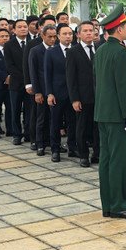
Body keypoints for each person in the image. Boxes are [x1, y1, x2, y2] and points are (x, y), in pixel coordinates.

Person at [94, 4, 126, 219]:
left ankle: (108, 204)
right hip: (117, 115)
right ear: (119, 29)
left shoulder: (101, 50)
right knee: (119, 162)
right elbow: (123, 87)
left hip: (103, 113)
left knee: (106, 161)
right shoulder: (122, 52)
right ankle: (119, 205)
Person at [66, 21, 99, 167]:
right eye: (85, 31)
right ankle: (83, 155)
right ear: (78, 34)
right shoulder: (73, 52)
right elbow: (71, 77)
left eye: (91, 30)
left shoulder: (99, 48)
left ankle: (97, 153)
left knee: (98, 127)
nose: (89, 33)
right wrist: (74, 99)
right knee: (82, 127)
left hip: (99, 96)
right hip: (82, 96)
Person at [45, 23, 77, 162]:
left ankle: (73, 147)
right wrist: (49, 93)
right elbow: (47, 74)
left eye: (70, 34)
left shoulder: (76, 50)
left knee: (73, 122)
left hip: (73, 93)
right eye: (64, 34)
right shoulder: (51, 52)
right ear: (58, 36)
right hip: (57, 93)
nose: (68, 36)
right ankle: (55, 149)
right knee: (56, 122)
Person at [29, 24, 57, 155]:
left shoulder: (57, 49)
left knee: (54, 119)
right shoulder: (35, 51)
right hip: (42, 89)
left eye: (54, 37)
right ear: (42, 36)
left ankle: (53, 142)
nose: (52, 39)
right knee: (41, 118)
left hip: (55, 90)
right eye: (49, 37)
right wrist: (37, 92)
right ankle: (40, 143)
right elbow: (33, 72)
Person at [4, 19, 30, 145]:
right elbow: (9, 65)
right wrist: (24, 77)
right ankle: (17, 134)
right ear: (14, 30)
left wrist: (29, 79)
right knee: (15, 110)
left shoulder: (32, 43)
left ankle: (29, 133)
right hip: (16, 83)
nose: (23, 29)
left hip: (31, 83)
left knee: (29, 111)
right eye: (20, 27)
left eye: (25, 26)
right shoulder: (9, 45)